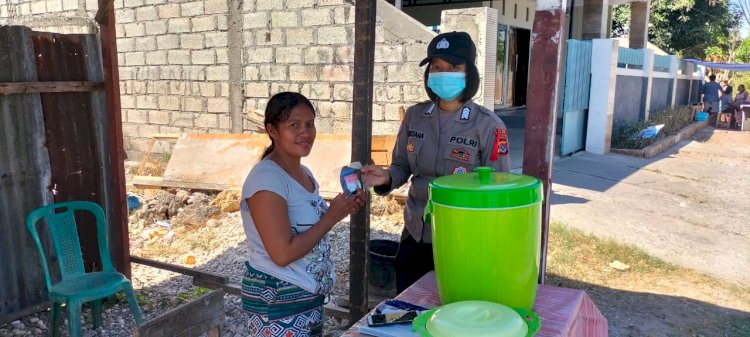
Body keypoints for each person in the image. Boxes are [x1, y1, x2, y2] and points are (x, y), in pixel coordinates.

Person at [360, 31, 511, 293]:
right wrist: (385, 177)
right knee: (409, 309)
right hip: (415, 235)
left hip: (462, 240)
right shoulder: (415, 116)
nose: (443, 73)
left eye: (453, 67)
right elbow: (401, 166)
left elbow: (497, 190)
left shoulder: (488, 126)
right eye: (437, 67)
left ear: (469, 73)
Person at [240, 92, 365, 337]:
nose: (305, 133)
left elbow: (308, 226)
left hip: (304, 298)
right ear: (272, 130)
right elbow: (282, 254)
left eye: (309, 124)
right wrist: (331, 217)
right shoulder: (266, 180)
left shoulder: (303, 173)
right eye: (294, 125)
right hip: (278, 301)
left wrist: (345, 206)